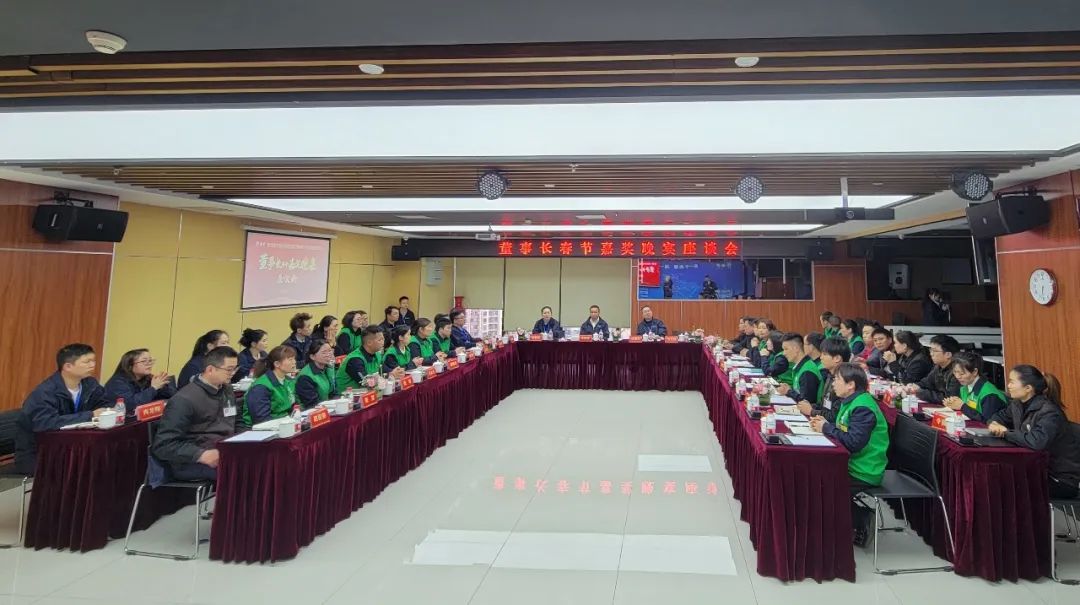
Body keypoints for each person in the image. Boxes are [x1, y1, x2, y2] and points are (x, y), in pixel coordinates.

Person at [811, 363, 890, 547]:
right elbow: (845, 429)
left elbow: (853, 443)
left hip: (864, 469)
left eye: (837, 380)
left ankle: (861, 518)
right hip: (851, 463)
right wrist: (826, 424)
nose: (833, 384)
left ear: (850, 385)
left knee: (820, 485)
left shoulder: (863, 407)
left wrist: (827, 428)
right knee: (814, 475)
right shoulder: (850, 401)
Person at [15, 344, 112, 474]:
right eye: (87, 361)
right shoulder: (45, 392)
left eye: (93, 360)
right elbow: (46, 423)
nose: (92, 365)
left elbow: (104, 404)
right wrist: (90, 415)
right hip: (41, 452)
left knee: (104, 461)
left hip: (71, 447)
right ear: (68, 366)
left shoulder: (90, 384)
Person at [989, 365, 1080, 498]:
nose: (1008, 386)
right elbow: (998, 417)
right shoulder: (1017, 404)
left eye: (1012, 382)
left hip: (1058, 478)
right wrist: (994, 424)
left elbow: (1037, 441)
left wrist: (1006, 433)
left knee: (1006, 486)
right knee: (995, 478)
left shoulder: (1049, 412)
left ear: (1028, 388)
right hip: (1035, 469)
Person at [151, 346, 238, 481]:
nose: (233, 373)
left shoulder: (227, 390)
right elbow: (163, 445)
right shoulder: (184, 400)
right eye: (229, 369)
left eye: (235, 369)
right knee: (245, 472)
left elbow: (236, 421)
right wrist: (200, 455)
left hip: (224, 450)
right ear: (210, 369)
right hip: (193, 461)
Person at [241, 345, 297, 427]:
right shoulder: (260, 387)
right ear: (277, 364)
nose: (294, 362)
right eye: (290, 359)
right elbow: (261, 419)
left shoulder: (288, 381)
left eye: (294, 359)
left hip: (285, 423)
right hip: (264, 428)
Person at [104, 348, 177, 412]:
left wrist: (162, 385)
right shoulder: (117, 383)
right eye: (144, 361)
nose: (149, 364)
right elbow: (130, 406)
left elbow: (172, 396)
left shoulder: (147, 378)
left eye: (150, 360)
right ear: (130, 365)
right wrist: (154, 388)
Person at [942, 351, 1006, 423]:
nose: (957, 376)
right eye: (955, 372)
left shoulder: (989, 394)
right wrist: (953, 405)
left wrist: (962, 406)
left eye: (962, 373)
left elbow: (988, 421)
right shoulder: (964, 387)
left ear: (975, 372)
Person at [797, 337, 850, 420]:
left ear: (837, 358)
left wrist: (811, 411)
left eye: (824, 354)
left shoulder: (844, 382)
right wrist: (808, 406)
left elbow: (835, 416)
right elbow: (823, 405)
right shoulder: (830, 376)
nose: (821, 357)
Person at [338, 326, 403, 391]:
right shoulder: (355, 360)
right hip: (348, 395)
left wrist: (394, 372)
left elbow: (383, 369)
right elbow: (366, 382)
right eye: (380, 340)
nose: (383, 342)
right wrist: (390, 375)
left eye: (383, 339)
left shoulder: (377, 354)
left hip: (369, 392)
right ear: (369, 343)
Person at [907, 334, 961, 404]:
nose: (931, 354)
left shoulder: (958, 372)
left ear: (948, 354)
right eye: (930, 350)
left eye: (934, 351)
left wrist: (920, 392)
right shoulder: (938, 367)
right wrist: (914, 386)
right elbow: (926, 382)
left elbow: (949, 399)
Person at [777, 333, 821, 405]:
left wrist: (789, 392)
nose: (784, 353)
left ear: (796, 349)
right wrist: (789, 389)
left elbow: (807, 402)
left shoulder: (807, 371)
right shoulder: (802, 366)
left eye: (786, 349)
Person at [295, 339, 338, 409]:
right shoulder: (305, 377)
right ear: (312, 357)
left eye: (330, 351)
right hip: (312, 410)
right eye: (324, 352)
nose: (329, 355)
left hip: (327, 407)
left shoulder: (329, 368)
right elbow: (312, 404)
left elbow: (333, 392)